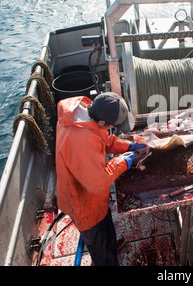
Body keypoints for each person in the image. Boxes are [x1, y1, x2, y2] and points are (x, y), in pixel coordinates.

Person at [55, 92, 146, 266]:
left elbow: (104, 139)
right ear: (103, 122)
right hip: (83, 203)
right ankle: (105, 257)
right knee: (99, 246)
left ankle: (110, 246)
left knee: (106, 226)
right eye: (114, 125)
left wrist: (129, 145)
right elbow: (97, 183)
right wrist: (123, 162)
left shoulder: (85, 114)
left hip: (95, 197)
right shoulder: (80, 140)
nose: (114, 128)